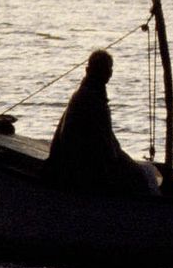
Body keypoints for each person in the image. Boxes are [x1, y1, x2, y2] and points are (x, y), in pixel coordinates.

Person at [46, 49, 155, 195]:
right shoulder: (90, 100)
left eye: (108, 69)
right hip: (80, 172)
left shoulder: (86, 95)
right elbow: (106, 149)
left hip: (82, 165)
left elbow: (108, 142)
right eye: (105, 69)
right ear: (90, 71)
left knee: (143, 172)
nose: (108, 73)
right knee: (142, 176)